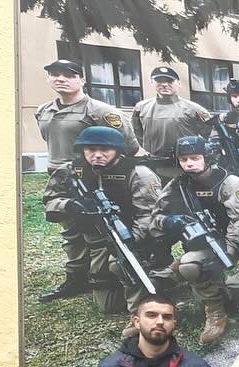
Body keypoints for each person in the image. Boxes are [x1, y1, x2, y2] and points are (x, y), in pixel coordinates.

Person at [35, 58, 140, 304]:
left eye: (69, 75)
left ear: (82, 80)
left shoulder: (101, 111)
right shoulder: (43, 111)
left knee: (99, 230)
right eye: (55, 74)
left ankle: (103, 277)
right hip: (62, 178)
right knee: (71, 231)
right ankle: (76, 278)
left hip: (94, 179)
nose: (60, 79)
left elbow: (128, 146)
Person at [42, 125, 163, 315]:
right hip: (93, 236)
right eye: (91, 149)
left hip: (132, 236)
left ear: (118, 151)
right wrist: (68, 205)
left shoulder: (139, 174)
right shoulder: (71, 170)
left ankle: (161, 277)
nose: (97, 155)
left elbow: (149, 216)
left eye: (105, 149)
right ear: (82, 150)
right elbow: (50, 201)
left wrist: (131, 241)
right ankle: (80, 278)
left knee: (124, 281)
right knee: (108, 306)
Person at [156, 135, 239, 344]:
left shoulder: (229, 183)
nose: (189, 164)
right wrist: (169, 221)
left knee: (190, 266)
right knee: (166, 274)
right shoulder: (178, 184)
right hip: (194, 241)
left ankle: (216, 312)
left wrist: (229, 251)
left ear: (207, 157)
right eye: (183, 159)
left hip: (225, 241)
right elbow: (156, 215)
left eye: (195, 158)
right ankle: (174, 276)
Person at [132, 66, 212, 180]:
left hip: (183, 166)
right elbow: (138, 133)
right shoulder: (141, 108)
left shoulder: (194, 109)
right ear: (152, 82)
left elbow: (209, 134)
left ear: (178, 83)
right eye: (159, 81)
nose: (164, 85)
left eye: (170, 81)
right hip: (153, 164)